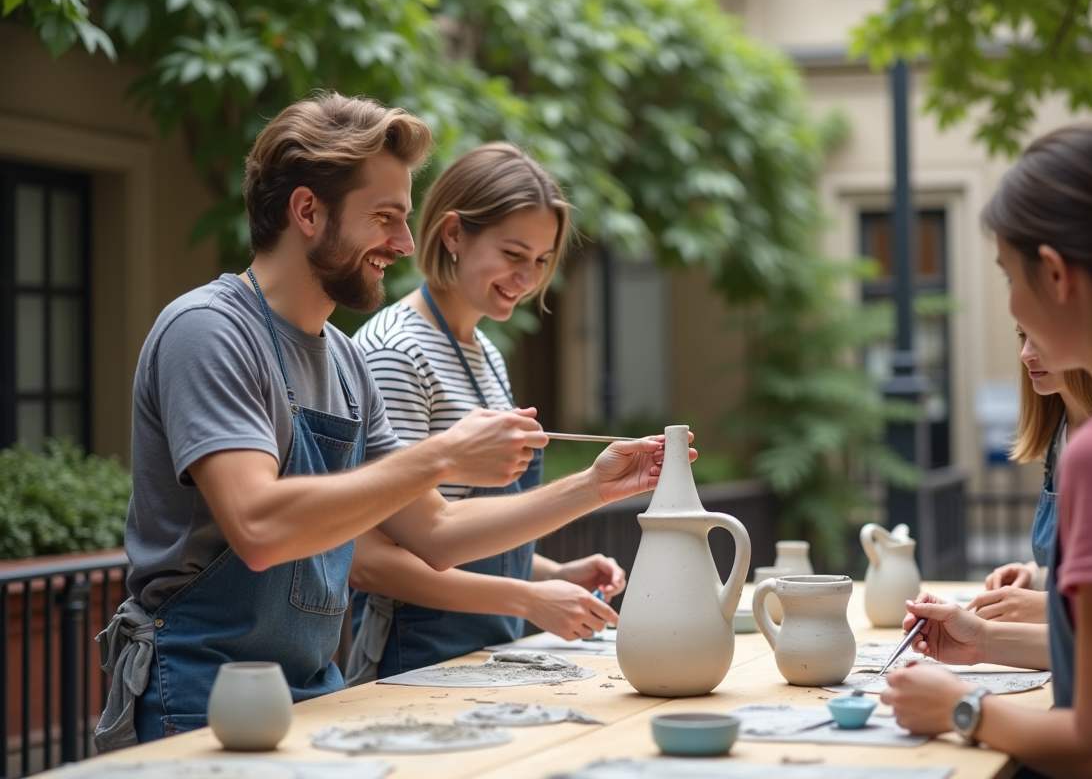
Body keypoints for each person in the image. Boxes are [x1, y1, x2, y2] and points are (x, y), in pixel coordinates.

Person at [94, 93, 686, 751]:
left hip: (318, 689)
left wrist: (598, 487)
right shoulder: (208, 331)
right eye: (385, 218)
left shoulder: (346, 362)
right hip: (203, 695)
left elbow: (435, 533)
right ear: (307, 211)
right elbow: (258, 525)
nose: (405, 244)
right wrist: (442, 458)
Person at [881, 123, 1092, 778]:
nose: (1011, 302)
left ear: (1054, 274)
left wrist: (961, 709)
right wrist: (985, 644)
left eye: (1007, 272)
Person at [344, 143, 626, 683]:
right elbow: (376, 559)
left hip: (487, 653)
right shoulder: (394, 351)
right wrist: (526, 598)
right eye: (514, 255)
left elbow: (464, 529)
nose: (528, 278)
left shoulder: (486, 352)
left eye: (541, 261)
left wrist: (549, 572)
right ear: (453, 233)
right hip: (416, 655)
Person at [968, 329, 1092, 624]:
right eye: (1021, 334)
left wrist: (1045, 607)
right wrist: (1035, 574)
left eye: (1043, 333)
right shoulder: (1059, 434)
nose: (1025, 353)